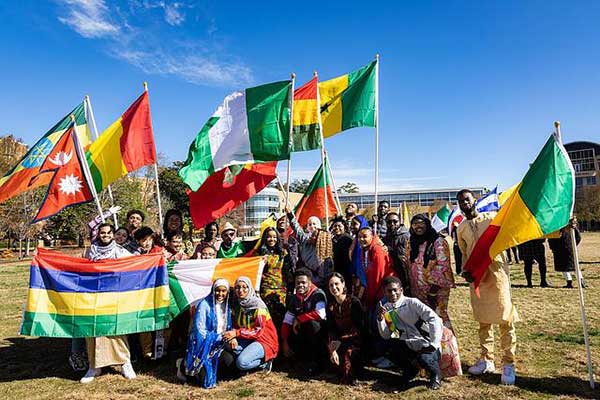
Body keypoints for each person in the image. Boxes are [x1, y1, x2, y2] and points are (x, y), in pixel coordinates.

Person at [456, 189, 518, 385]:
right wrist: (466, 271)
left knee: (505, 318)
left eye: (467, 199)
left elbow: (512, 228)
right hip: (477, 277)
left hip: (497, 273)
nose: (464, 203)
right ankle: (486, 359)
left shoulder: (492, 218)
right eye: (460, 201)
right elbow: (464, 253)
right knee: (483, 319)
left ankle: (508, 362)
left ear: (474, 200)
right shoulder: (461, 228)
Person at [80, 223, 135, 383]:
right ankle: (94, 366)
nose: (105, 235)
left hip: (114, 296)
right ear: (99, 234)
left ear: (113, 234)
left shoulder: (120, 251)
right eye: (102, 233)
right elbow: (80, 270)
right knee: (93, 330)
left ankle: (125, 363)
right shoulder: (90, 252)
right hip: (93, 297)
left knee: (116, 329)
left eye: (108, 233)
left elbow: (134, 265)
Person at [377, 276, 443, 390]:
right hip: (407, 343)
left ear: (401, 290)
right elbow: (386, 335)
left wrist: (435, 343)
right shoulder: (387, 308)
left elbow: (434, 319)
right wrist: (380, 319)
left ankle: (435, 375)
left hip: (424, 342)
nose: (392, 293)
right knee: (391, 350)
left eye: (395, 290)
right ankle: (410, 371)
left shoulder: (412, 303)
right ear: (384, 292)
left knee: (424, 358)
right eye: (389, 291)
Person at [179, 279, 236, 388]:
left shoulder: (227, 306)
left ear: (227, 292)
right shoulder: (204, 305)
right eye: (217, 290)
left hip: (221, 345)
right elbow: (200, 331)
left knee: (231, 366)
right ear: (213, 290)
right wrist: (220, 337)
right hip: (203, 346)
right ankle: (182, 365)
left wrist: (232, 336)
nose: (220, 294)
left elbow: (229, 327)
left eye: (223, 291)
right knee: (204, 380)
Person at [407, 214, 455, 330]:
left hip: (435, 290)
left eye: (421, 223)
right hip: (418, 290)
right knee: (424, 320)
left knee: (438, 317)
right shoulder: (412, 242)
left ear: (427, 224)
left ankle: (446, 347)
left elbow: (443, 266)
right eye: (415, 224)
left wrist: (433, 291)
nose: (418, 226)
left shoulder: (438, 241)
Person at [223, 276, 278, 373]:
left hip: (264, 340)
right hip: (248, 338)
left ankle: (265, 362)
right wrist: (233, 337)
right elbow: (235, 324)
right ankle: (249, 358)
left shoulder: (258, 306)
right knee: (227, 344)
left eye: (245, 287)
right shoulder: (238, 305)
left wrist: (236, 333)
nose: (241, 290)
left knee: (241, 363)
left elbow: (258, 331)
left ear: (250, 288)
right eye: (238, 287)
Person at [281, 268, 328, 375]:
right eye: (298, 283)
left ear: (310, 282)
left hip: (319, 335)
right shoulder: (294, 298)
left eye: (303, 282)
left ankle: (318, 363)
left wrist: (299, 319)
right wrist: (285, 342)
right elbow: (287, 321)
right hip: (302, 332)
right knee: (286, 329)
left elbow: (321, 314)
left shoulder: (318, 294)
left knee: (311, 324)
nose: (300, 285)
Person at [326, 272, 364, 385]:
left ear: (343, 284)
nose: (334, 288)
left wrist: (340, 341)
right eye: (331, 285)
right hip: (339, 340)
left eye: (336, 284)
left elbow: (359, 328)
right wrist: (332, 346)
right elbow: (331, 328)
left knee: (348, 354)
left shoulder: (354, 302)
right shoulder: (331, 306)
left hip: (355, 340)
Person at [256, 227, 294, 330]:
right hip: (265, 290)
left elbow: (288, 272)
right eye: (269, 237)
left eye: (274, 237)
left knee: (281, 318)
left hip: (281, 290)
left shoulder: (283, 253)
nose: (271, 239)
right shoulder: (259, 254)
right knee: (268, 319)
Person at [286, 208, 333, 288]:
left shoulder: (326, 250)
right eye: (310, 224)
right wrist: (290, 215)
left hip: (321, 282)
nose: (312, 236)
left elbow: (324, 275)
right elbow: (297, 230)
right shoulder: (305, 241)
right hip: (307, 278)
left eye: (315, 235)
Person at [548, 219, 582, 288]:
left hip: (564, 250)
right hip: (564, 250)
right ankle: (573, 282)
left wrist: (573, 245)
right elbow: (578, 237)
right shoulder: (566, 228)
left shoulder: (568, 228)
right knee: (568, 267)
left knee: (569, 267)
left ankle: (577, 282)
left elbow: (578, 238)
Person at [383, 212, 410, 294]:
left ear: (400, 221)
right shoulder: (386, 238)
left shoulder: (406, 236)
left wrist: (390, 250)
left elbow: (404, 255)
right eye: (389, 222)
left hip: (404, 271)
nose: (392, 224)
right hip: (391, 270)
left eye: (395, 221)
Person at [330, 216, 354, 285]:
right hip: (336, 270)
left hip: (346, 272)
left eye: (339, 226)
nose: (337, 228)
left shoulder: (348, 239)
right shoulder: (333, 240)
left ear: (344, 227)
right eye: (335, 226)